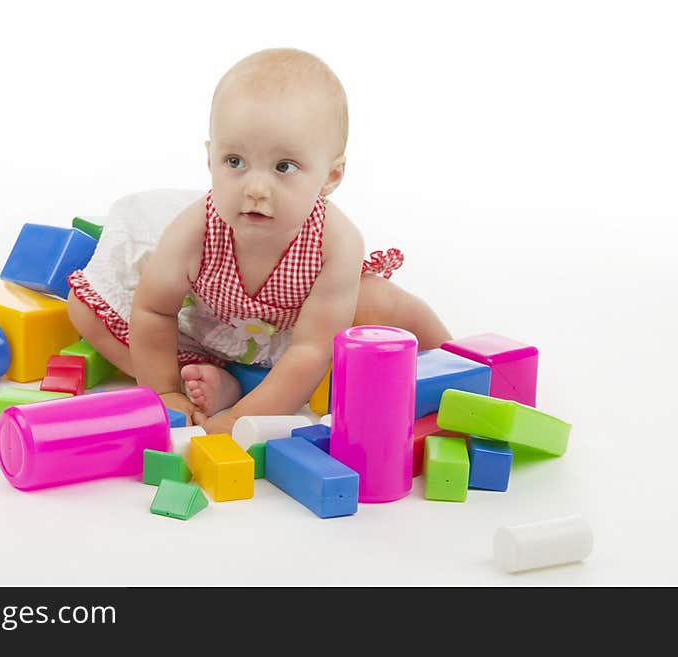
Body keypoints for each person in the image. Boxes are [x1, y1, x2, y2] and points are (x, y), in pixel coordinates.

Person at [66, 48, 451, 434]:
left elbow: (310, 349)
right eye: (234, 161)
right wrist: (163, 393)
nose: (255, 188)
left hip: (304, 335)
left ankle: (458, 360)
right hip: (214, 323)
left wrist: (238, 421)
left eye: (284, 167)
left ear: (330, 177)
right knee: (83, 308)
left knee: (379, 301)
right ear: (210, 158)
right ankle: (197, 384)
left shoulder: (335, 242)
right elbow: (154, 312)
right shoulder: (195, 228)